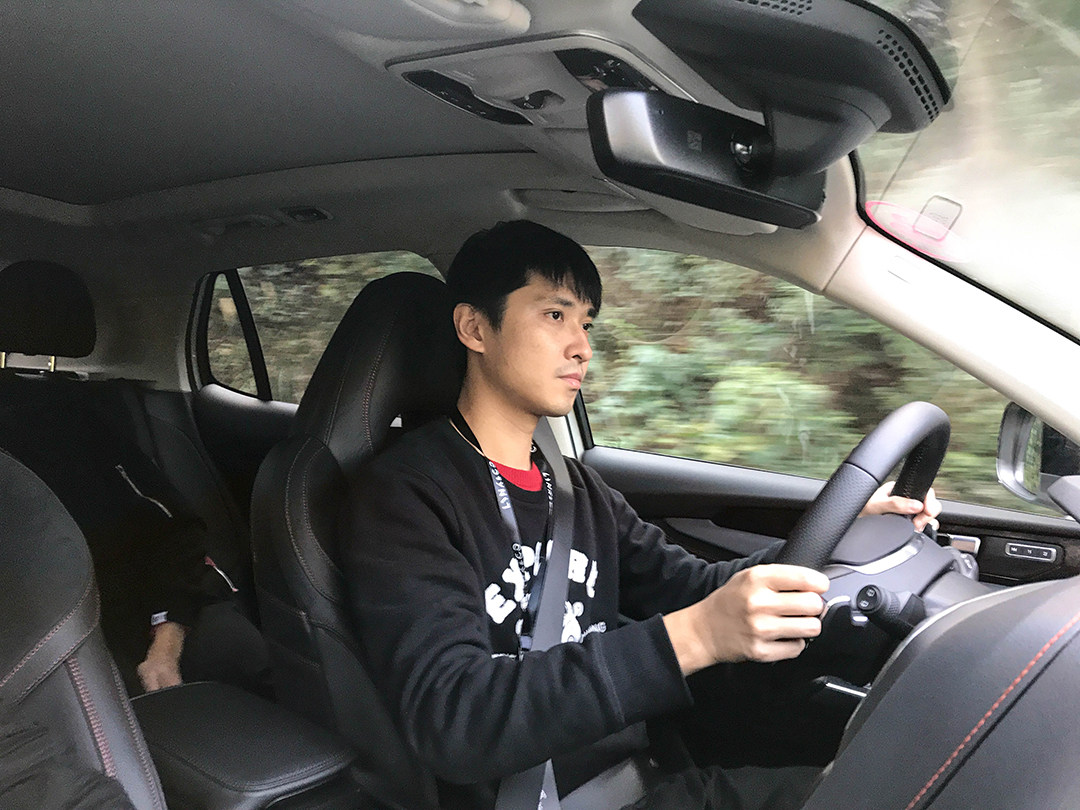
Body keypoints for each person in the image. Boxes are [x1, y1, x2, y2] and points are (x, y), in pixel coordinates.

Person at [342, 220, 940, 809]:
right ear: (474, 327)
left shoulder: (576, 489)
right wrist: (697, 635)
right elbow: (455, 718)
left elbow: (694, 586)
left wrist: (842, 529)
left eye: (586, 323)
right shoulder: (406, 497)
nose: (582, 347)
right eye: (554, 315)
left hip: (642, 775)